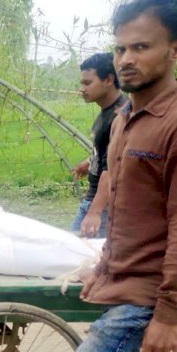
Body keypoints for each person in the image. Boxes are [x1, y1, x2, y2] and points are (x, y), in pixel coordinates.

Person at [60, 0, 177, 352]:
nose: (125, 59)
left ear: (176, 50)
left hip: (148, 294)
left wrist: (169, 316)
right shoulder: (124, 119)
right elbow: (125, 212)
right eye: (120, 48)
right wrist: (102, 269)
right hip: (124, 282)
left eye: (141, 47)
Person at [70, 52, 127, 238]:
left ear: (109, 79)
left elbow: (112, 169)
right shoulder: (106, 112)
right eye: (81, 83)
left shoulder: (120, 117)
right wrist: (89, 162)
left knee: (85, 258)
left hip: (104, 206)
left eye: (87, 83)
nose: (82, 89)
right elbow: (106, 152)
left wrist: (94, 212)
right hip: (94, 200)